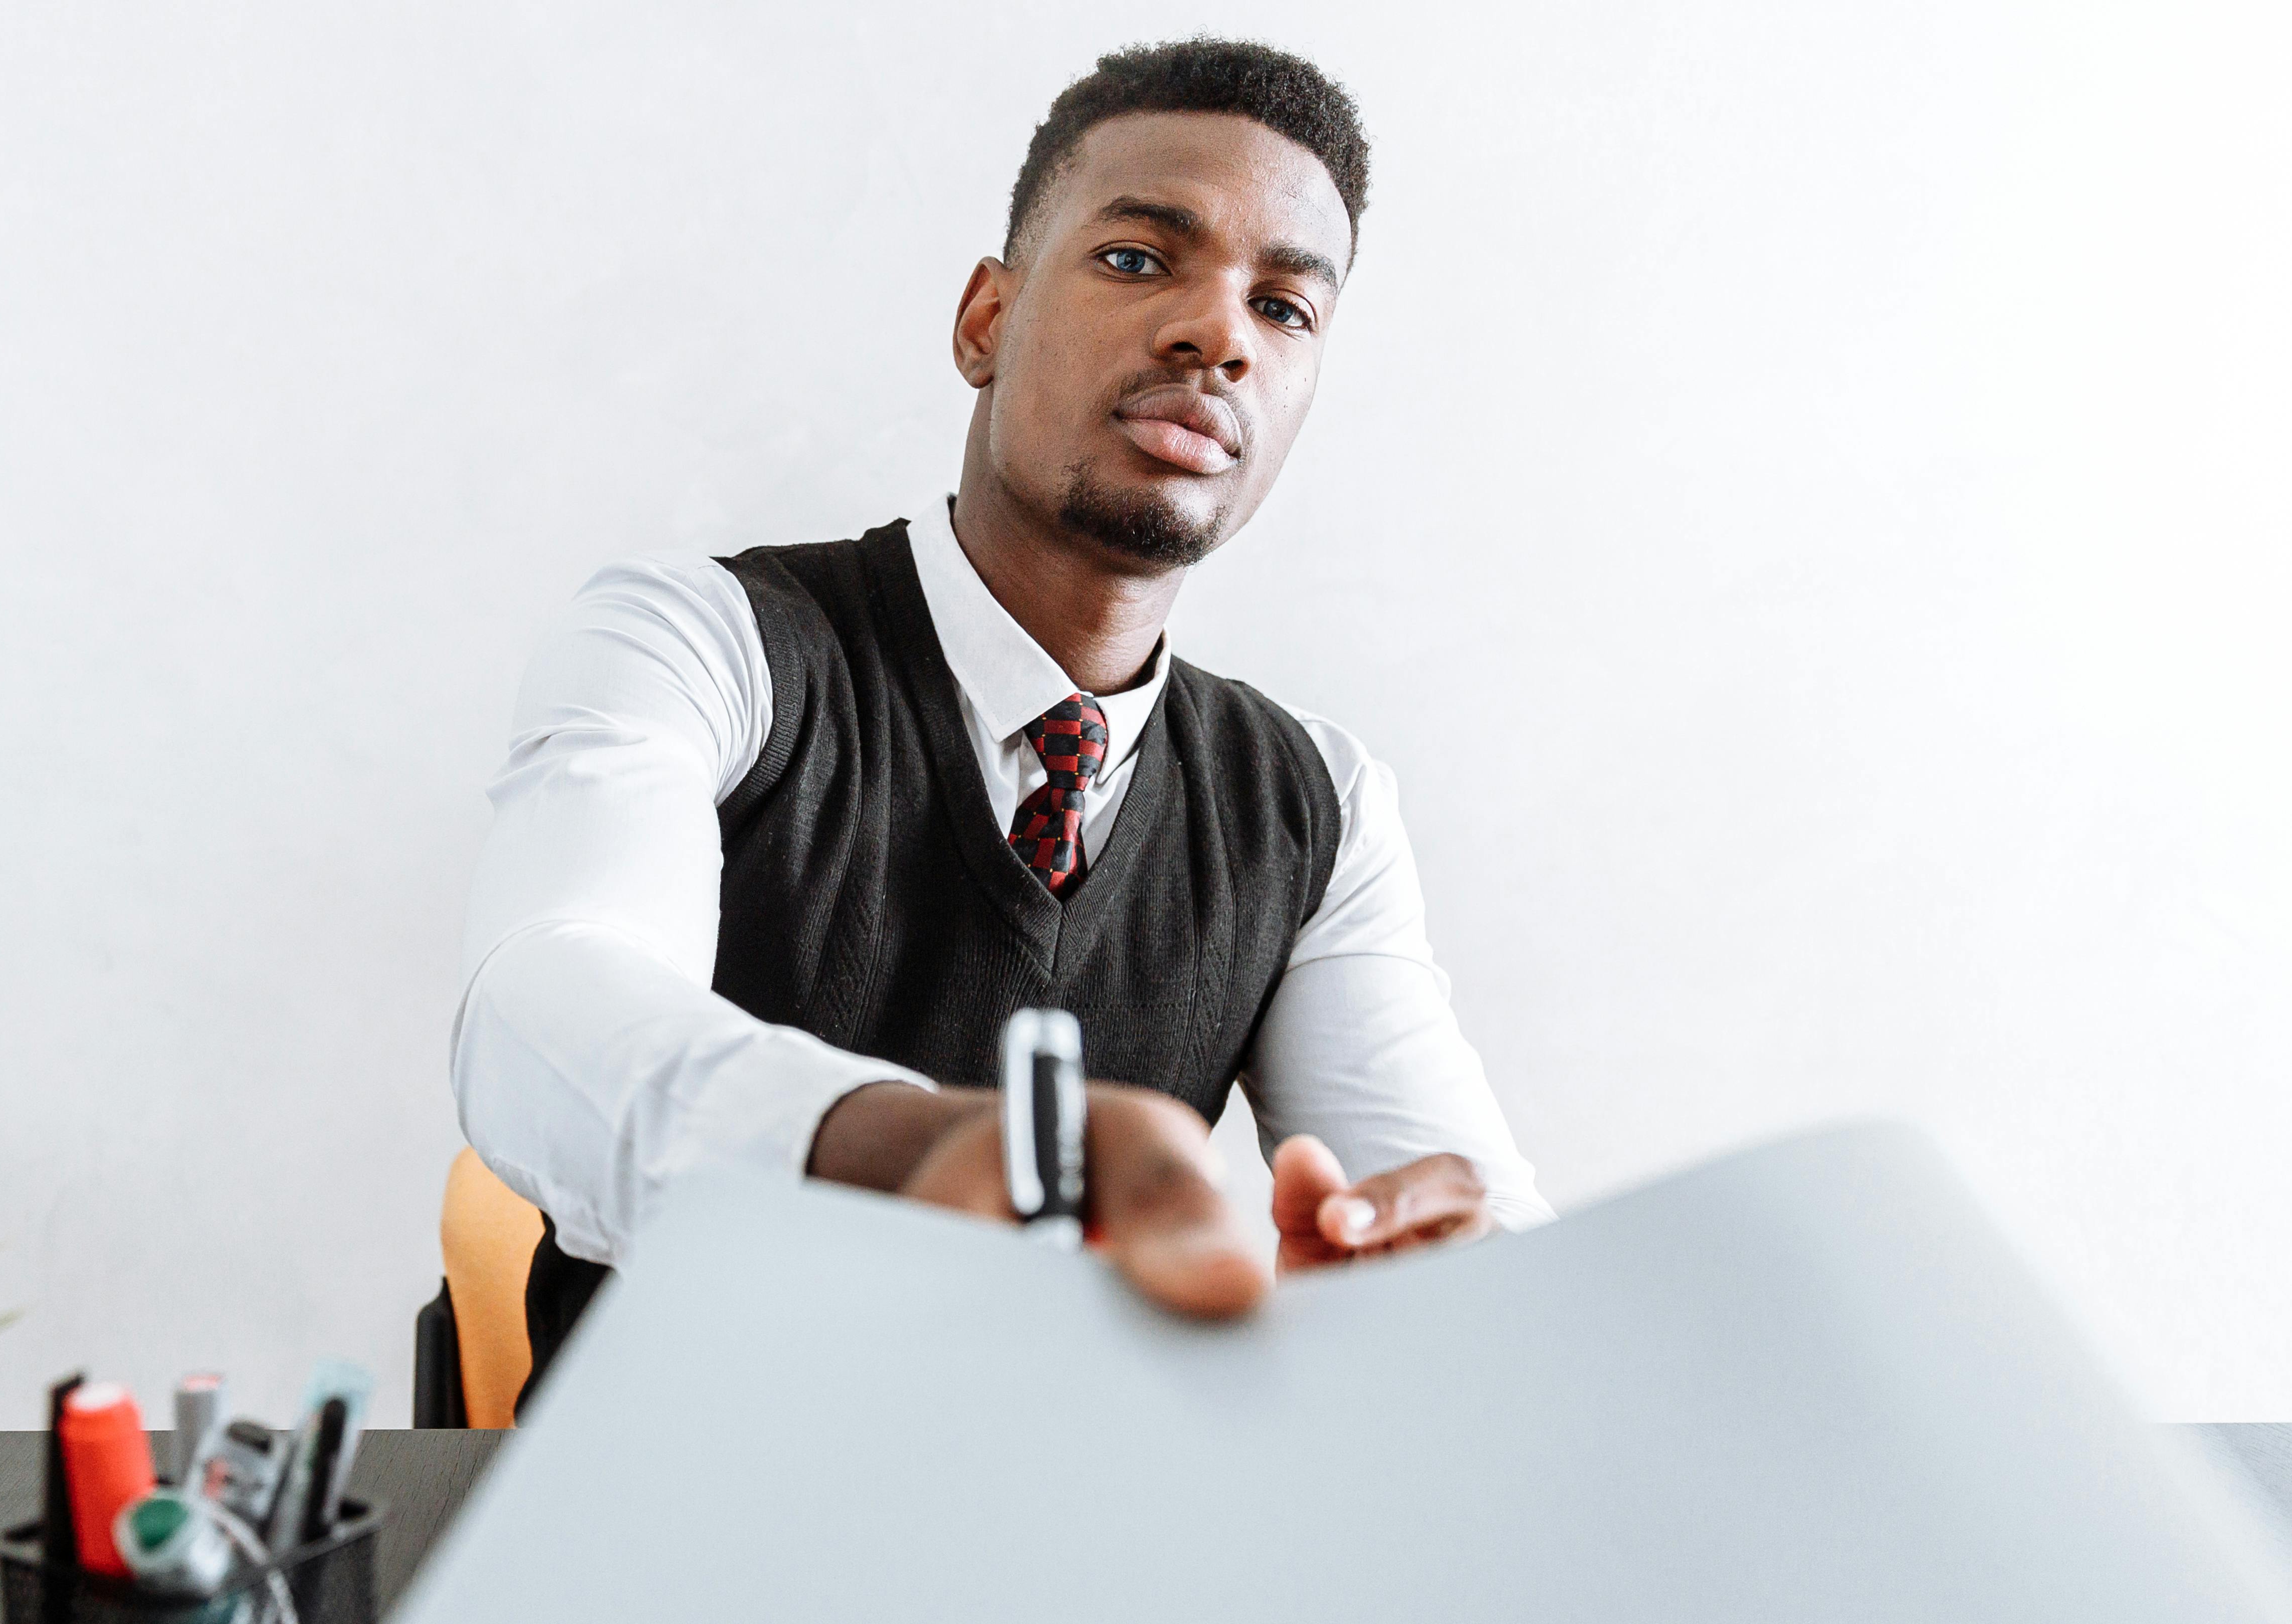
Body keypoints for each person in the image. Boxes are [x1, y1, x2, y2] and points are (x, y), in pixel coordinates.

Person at [454, 37, 1549, 1391]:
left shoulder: (1318, 802)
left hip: (1085, 1527)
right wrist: (907, 1154)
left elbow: (1455, 1211)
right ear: (984, 321)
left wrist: (1417, 1292)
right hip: (683, 1502)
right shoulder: (697, 639)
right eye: (1140, 260)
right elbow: (539, 1007)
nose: (1215, 335)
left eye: (1284, 309)